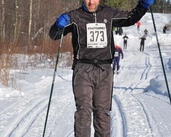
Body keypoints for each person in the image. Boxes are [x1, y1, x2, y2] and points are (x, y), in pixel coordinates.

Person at [49, 0, 154, 136]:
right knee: (83, 111)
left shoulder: (109, 13)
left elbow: (130, 18)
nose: (91, 2)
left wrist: (143, 5)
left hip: (104, 70)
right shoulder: (74, 16)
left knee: (102, 112)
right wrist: (57, 26)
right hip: (83, 69)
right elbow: (55, 35)